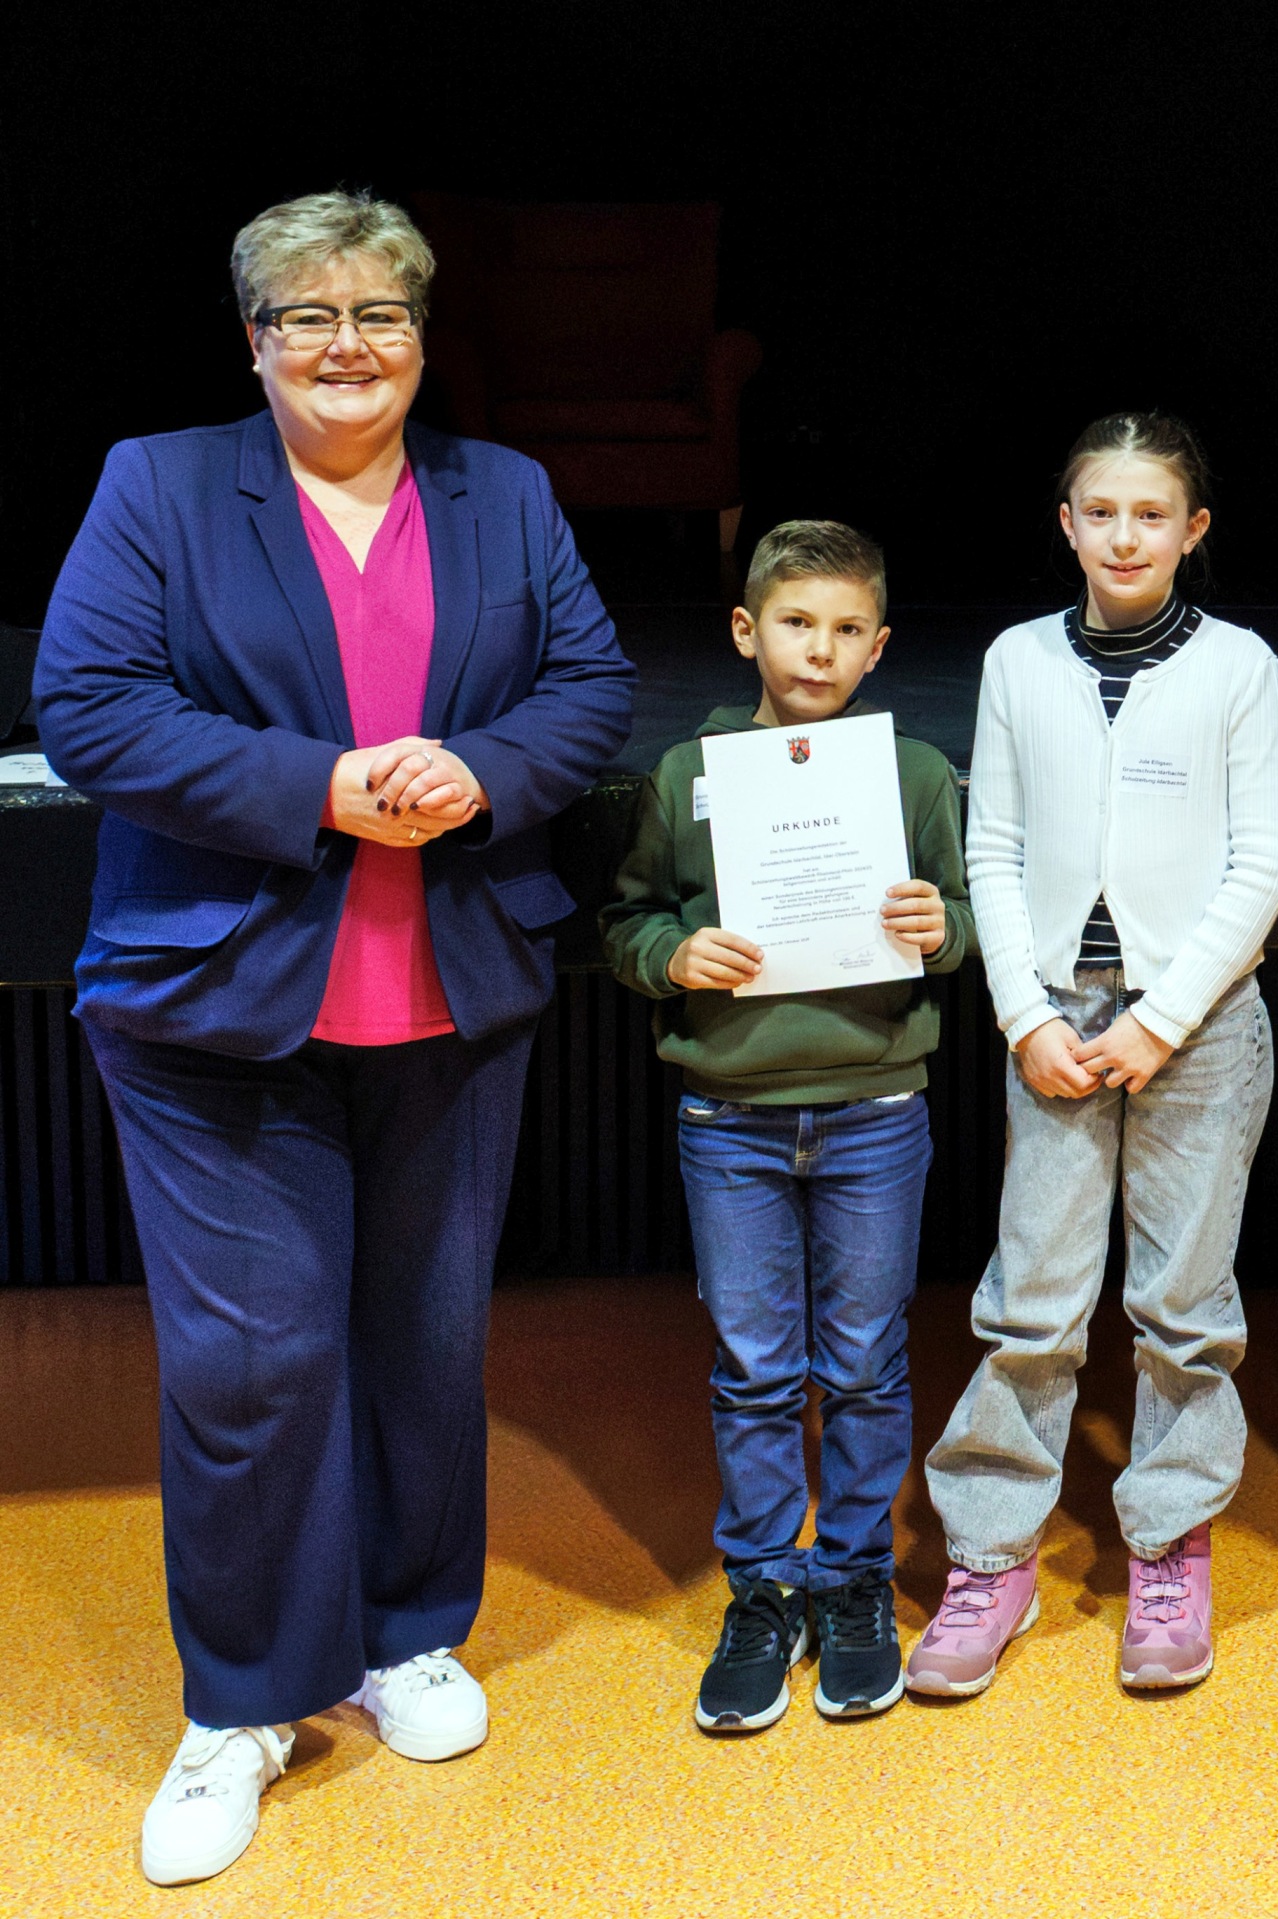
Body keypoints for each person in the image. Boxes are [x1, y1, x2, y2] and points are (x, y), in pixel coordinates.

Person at [34, 189, 634, 1885]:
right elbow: (87, 705)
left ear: (424, 338)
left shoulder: (500, 492)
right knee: (251, 1363)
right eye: (307, 313)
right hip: (215, 1001)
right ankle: (242, 1700)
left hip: (448, 987)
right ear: (253, 337)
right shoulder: (160, 483)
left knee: (426, 1340)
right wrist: (318, 785)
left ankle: (406, 1629)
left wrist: (482, 773)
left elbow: (586, 687)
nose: (347, 342)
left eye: (379, 311)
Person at [908, 412, 1278, 1699]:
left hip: (1193, 1022)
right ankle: (991, 1550)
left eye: (1150, 514)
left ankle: (1168, 1540)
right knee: (1033, 1291)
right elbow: (994, 848)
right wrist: (1026, 1013)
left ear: (1190, 531)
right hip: (1057, 1019)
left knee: (1184, 1308)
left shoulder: (1235, 663)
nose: (1122, 534)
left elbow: (1262, 865)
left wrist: (1160, 1016)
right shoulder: (1018, 658)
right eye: (1099, 510)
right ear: (1064, 522)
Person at [602, 521, 974, 1731]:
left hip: (874, 1109)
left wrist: (938, 928)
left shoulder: (913, 773)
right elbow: (629, 923)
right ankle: (763, 1584)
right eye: (796, 622)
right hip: (731, 1116)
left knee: (863, 1363)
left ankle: (853, 1580)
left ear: (876, 646)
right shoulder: (687, 771)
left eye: (845, 627)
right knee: (756, 1369)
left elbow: (963, 918)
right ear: (745, 631)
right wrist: (674, 954)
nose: (819, 649)